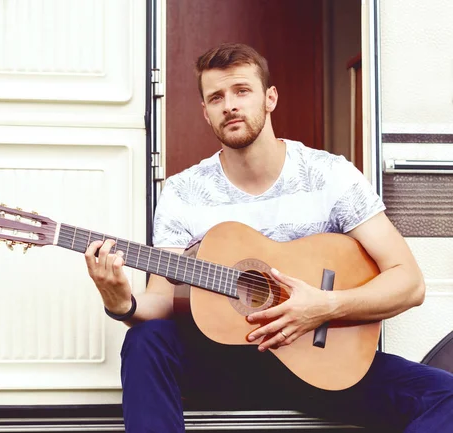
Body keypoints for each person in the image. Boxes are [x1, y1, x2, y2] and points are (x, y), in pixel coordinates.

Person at [84, 43, 453, 432]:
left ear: (270, 98)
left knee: (446, 396)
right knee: (146, 340)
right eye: (216, 97)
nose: (229, 105)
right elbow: (161, 299)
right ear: (206, 113)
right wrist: (121, 303)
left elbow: (409, 282)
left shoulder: (330, 175)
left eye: (241, 91)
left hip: (321, 365)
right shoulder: (183, 191)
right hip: (224, 368)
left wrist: (325, 306)